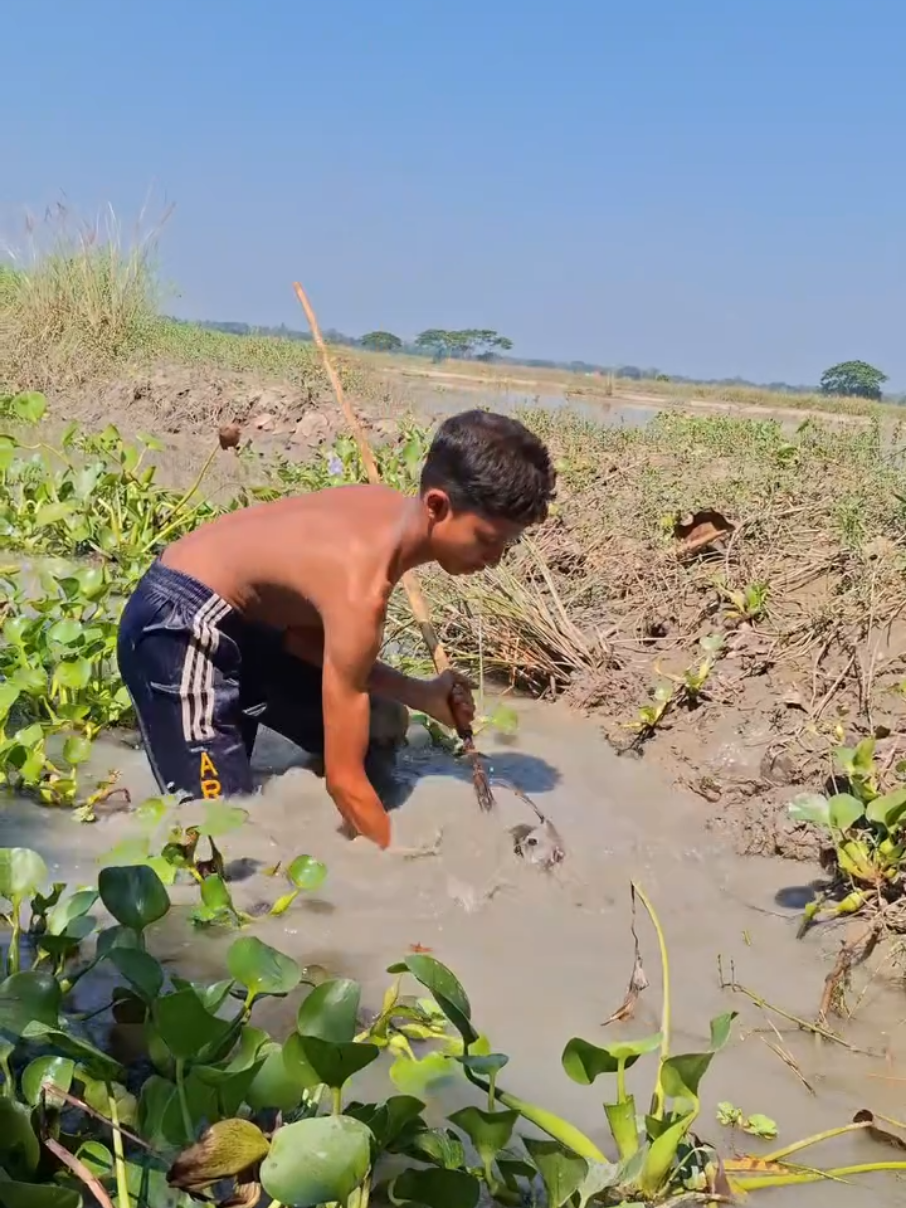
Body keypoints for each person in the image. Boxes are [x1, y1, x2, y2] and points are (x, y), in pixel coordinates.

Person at [117, 409, 556, 848]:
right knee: (224, 836)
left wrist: (422, 695)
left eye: (506, 543)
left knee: (383, 721)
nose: (495, 557)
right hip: (181, 623)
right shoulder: (359, 588)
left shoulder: (383, 512)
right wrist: (396, 864)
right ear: (437, 506)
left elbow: (307, 641)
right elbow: (343, 783)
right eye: (486, 539)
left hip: (250, 628)